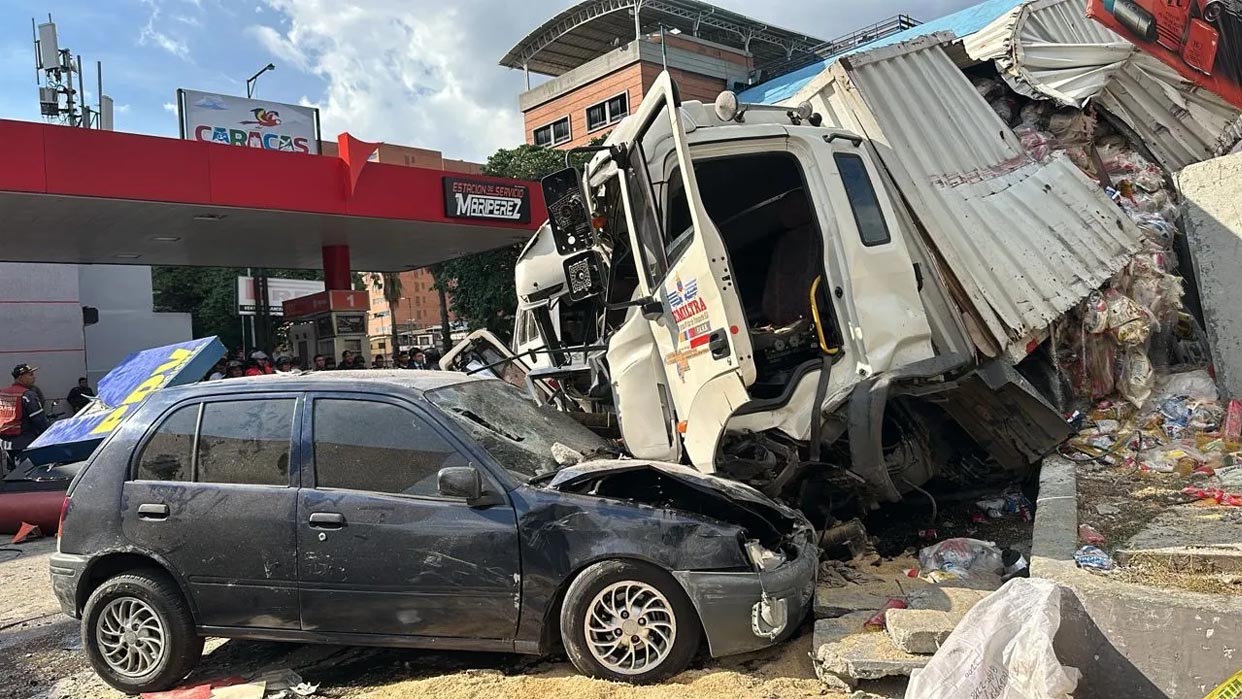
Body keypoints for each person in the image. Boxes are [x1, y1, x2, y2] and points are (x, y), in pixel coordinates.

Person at [1, 364, 50, 453]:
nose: (34, 378)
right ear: (20, 377)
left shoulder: (2, 394)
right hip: (24, 442)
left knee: (11, 467)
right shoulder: (27, 395)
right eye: (30, 375)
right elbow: (39, 421)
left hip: (4, 443)